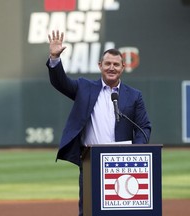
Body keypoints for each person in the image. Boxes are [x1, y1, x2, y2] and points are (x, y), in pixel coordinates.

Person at [46, 30, 151, 216]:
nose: (112, 68)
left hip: (123, 163)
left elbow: (144, 127)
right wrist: (54, 58)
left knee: (121, 211)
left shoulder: (134, 96)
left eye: (116, 65)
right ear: (100, 65)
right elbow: (60, 83)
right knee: (89, 210)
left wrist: (135, 152)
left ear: (123, 67)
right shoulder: (84, 87)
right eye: (108, 64)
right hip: (90, 161)